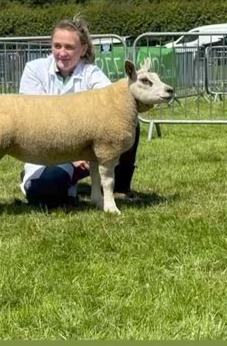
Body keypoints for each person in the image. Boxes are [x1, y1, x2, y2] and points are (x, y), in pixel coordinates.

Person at [18, 15, 140, 207]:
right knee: (43, 192)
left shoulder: (92, 74)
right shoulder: (34, 70)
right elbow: (34, 118)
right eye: (57, 46)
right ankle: (56, 178)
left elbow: (113, 110)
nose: (62, 53)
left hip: (84, 146)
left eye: (69, 47)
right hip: (46, 147)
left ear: (82, 49)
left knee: (123, 122)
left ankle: (120, 187)